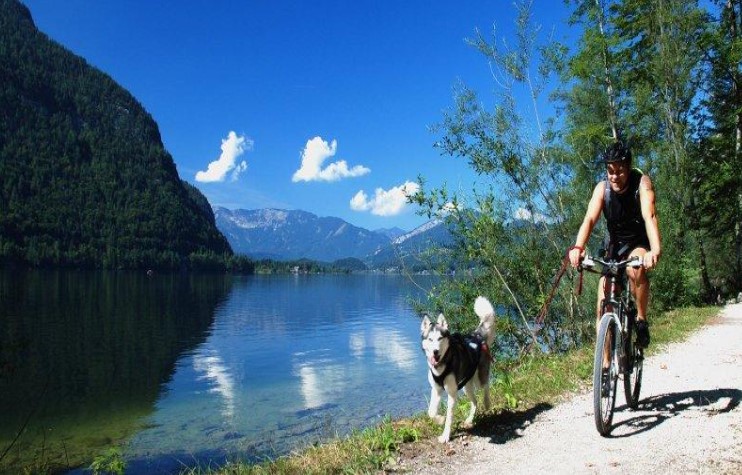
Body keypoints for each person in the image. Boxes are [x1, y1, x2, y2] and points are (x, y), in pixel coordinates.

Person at [568, 141, 661, 349]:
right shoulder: (602, 189)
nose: (614, 176)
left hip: (637, 242)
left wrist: (654, 250)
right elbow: (589, 219)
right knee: (603, 304)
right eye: (610, 171)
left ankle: (641, 319)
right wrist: (578, 247)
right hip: (613, 245)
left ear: (628, 167)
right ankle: (605, 368)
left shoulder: (642, 184)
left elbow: (650, 215)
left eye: (619, 170)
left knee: (635, 270)